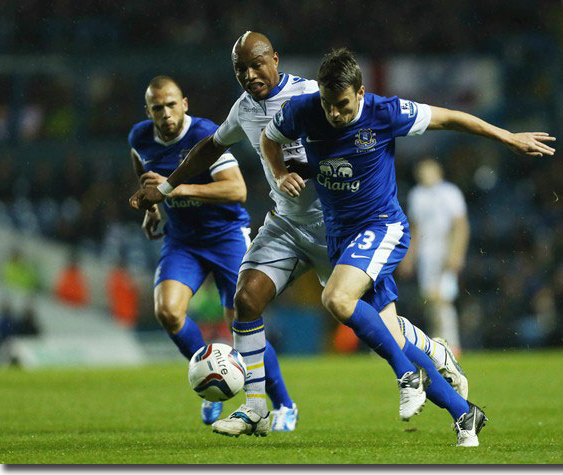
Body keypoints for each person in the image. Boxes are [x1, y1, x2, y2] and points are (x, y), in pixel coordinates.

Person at [129, 32, 469, 438]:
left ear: (275, 59)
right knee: (246, 299)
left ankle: (436, 359)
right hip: (287, 224)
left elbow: (359, 134)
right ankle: (255, 406)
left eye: (257, 65)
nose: (250, 75)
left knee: (384, 330)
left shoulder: (314, 96)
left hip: (336, 225)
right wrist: (165, 189)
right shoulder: (243, 109)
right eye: (241, 70)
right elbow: (210, 146)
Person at [260, 48, 555, 446]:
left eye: (343, 105)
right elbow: (268, 137)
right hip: (341, 237)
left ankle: (407, 375)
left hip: (382, 228)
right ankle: (464, 413)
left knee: (336, 298)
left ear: (361, 93)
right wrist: (280, 172)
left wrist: (505, 137)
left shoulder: (386, 112)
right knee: (390, 336)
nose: (335, 114)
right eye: (329, 105)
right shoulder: (303, 110)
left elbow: (450, 117)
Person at [128, 75, 297, 430]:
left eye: (172, 105)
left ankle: (284, 403)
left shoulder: (203, 133)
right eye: (157, 108)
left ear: (184, 104)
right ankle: (213, 381)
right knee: (168, 313)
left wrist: (172, 190)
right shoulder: (140, 137)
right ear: (149, 111)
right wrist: (151, 209)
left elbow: (237, 190)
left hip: (225, 236)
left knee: (243, 324)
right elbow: (141, 165)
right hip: (182, 240)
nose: (166, 113)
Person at [399, 158, 469, 355]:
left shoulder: (450, 192)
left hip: (445, 249)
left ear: (439, 172)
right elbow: (415, 229)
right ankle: (439, 343)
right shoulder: (417, 195)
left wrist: (456, 253)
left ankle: (452, 343)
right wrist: (409, 258)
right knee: (430, 299)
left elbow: (460, 225)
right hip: (426, 254)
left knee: (443, 297)